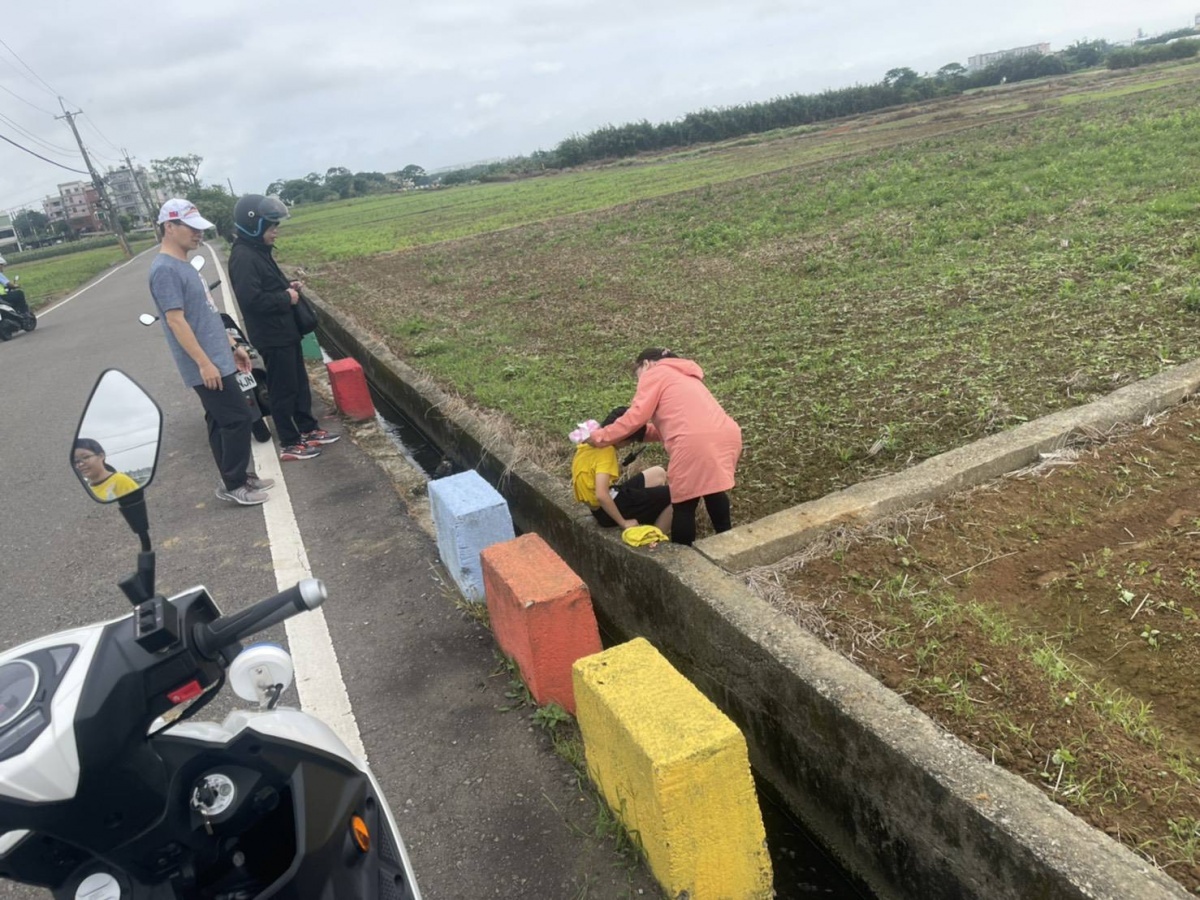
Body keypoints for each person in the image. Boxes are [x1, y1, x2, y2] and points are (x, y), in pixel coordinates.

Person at [148, 198, 274, 507]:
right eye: (191, 228)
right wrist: (204, 363)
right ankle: (234, 482)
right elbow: (176, 321)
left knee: (220, 421)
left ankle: (237, 478)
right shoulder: (164, 270)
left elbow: (206, 314)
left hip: (218, 357)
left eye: (199, 228)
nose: (198, 234)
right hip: (205, 364)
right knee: (237, 419)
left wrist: (233, 347)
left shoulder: (184, 265)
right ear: (170, 227)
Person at [587, 348, 742, 546]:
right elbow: (675, 424)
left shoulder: (655, 372)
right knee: (713, 489)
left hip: (693, 442)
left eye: (637, 374)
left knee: (684, 503)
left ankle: (682, 557)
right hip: (727, 434)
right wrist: (640, 435)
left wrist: (601, 436)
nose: (638, 381)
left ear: (646, 364)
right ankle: (728, 543)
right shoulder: (684, 375)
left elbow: (637, 416)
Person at [228, 194, 339, 462]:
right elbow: (251, 300)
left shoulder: (258, 252)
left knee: (299, 384)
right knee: (282, 389)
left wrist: (287, 287)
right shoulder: (243, 257)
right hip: (271, 335)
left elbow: (265, 288)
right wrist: (285, 298)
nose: (275, 231)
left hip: (285, 331)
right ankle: (289, 442)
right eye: (271, 226)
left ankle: (308, 428)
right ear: (253, 226)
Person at [572, 406, 673, 533]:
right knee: (677, 496)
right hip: (607, 511)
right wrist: (624, 522)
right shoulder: (606, 452)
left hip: (608, 499)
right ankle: (653, 538)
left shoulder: (591, 440)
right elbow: (601, 495)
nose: (630, 444)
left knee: (658, 473)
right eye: (631, 441)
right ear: (623, 437)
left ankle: (649, 514)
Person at [73, 438, 139, 502]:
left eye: (85, 457)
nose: (80, 464)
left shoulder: (121, 480)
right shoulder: (87, 489)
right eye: (76, 461)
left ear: (101, 456)